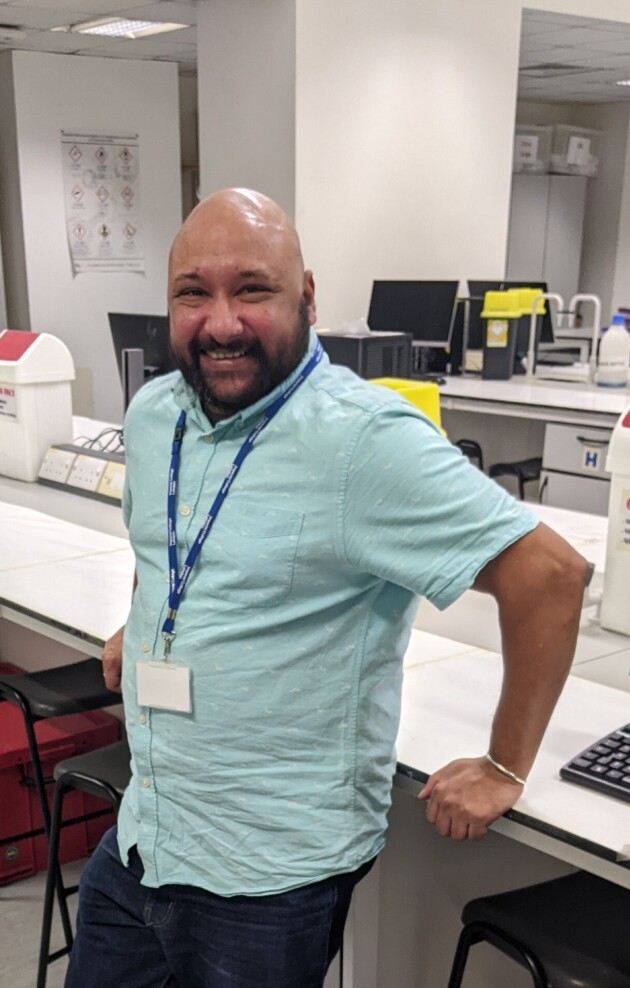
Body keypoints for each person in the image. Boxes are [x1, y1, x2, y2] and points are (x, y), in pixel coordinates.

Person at [66, 188, 587, 988]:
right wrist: (139, 628)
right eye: (193, 292)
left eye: (252, 289)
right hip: (148, 835)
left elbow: (550, 577)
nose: (222, 322)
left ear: (307, 296)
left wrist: (503, 768)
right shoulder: (153, 414)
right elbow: (162, 538)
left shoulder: (362, 441)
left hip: (269, 877)